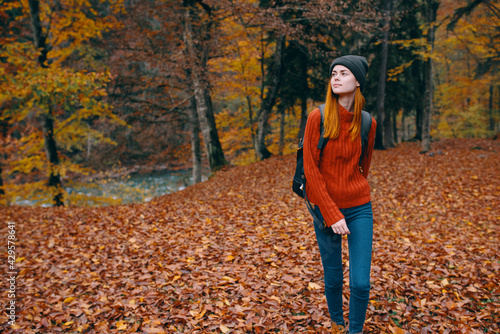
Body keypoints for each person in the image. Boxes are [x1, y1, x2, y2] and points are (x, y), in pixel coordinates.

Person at [303, 55, 376, 334]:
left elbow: (363, 167)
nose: (336, 77)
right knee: (333, 277)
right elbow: (311, 169)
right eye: (333, 72)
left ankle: (354, 331)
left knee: (360, 282)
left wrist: (352, 194)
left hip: (359, 208)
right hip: (325, 210)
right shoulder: (318, 117)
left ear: (357, 81)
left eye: (344, 73)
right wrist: (332, 213)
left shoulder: (368, 123)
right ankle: (337, 324)